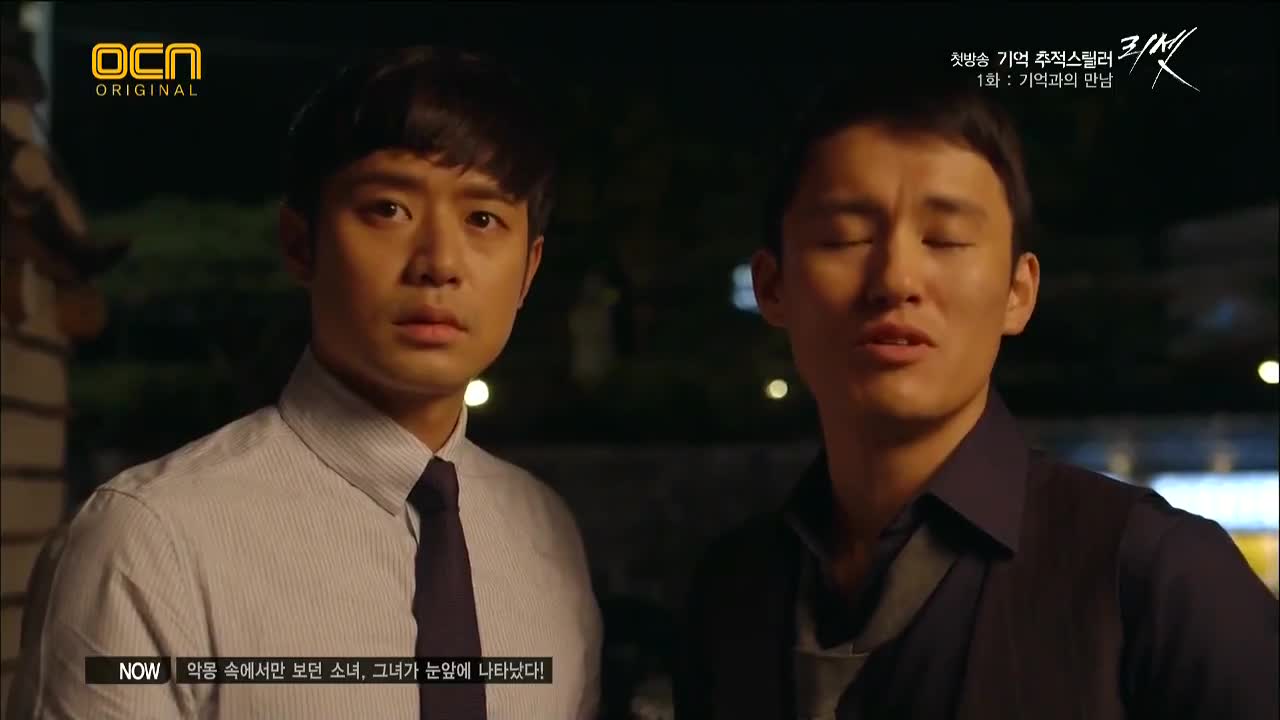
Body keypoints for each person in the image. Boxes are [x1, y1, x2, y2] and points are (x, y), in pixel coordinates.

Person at [7, 46, 601, 720]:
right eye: (388, 209)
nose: (439, 263)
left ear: (527, 271)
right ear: (300, 243)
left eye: (482, 219)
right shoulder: (149, 542)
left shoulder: (545, 533)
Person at [675, 67, 1279, 720]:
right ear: (772, 287)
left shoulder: (1155, 576)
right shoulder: (733, 590)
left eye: (946, 239)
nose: (896, 279)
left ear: (1019, 291)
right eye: (845, 238)